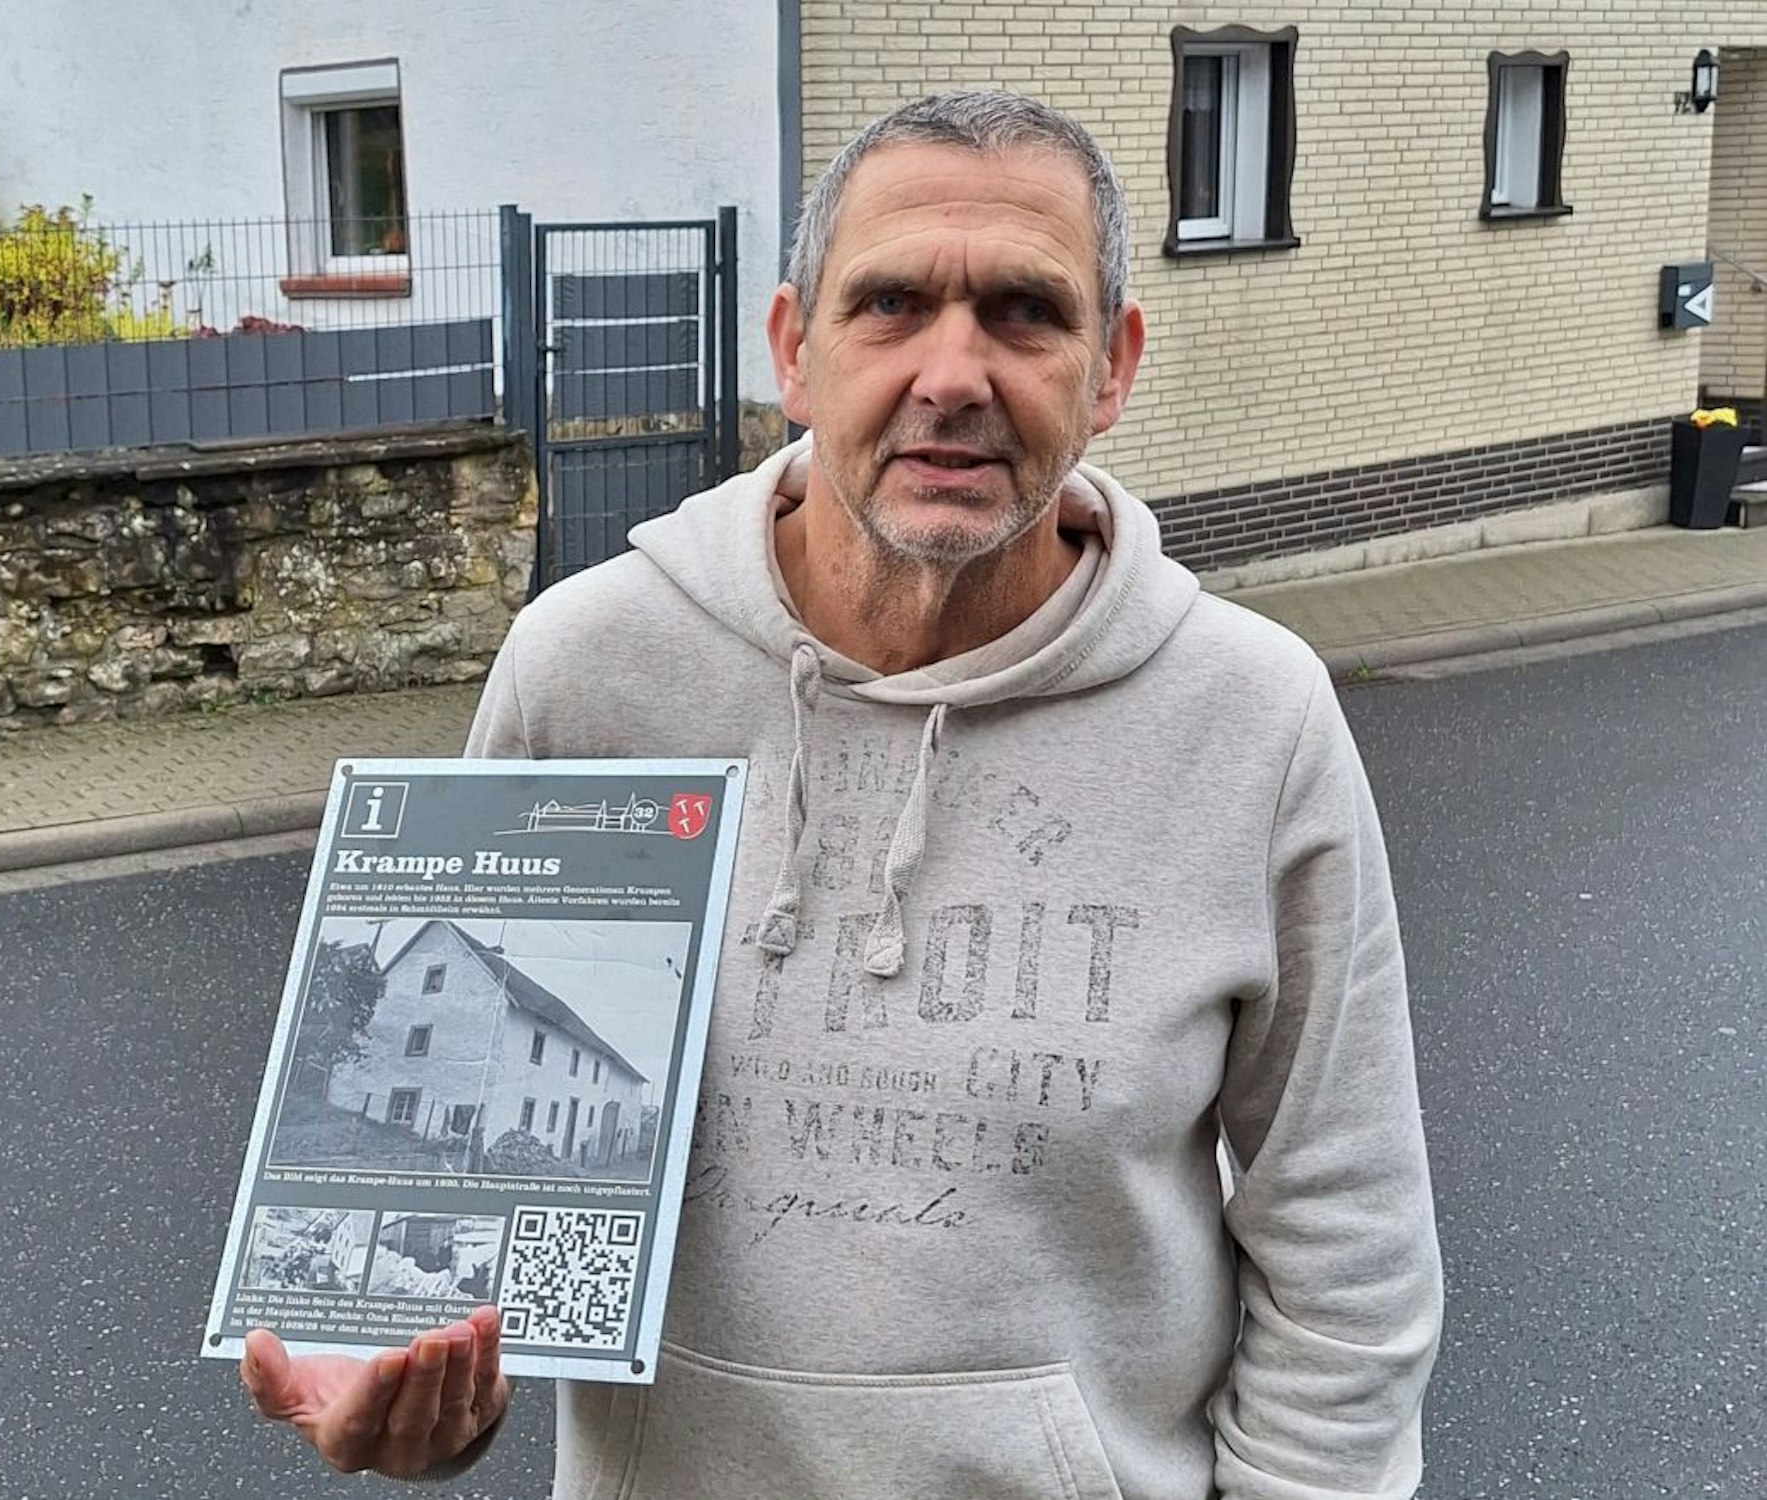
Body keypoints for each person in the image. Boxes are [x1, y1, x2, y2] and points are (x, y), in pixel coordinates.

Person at [241, 90, 1443, 1499]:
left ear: (1110, 368)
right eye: (890, 305)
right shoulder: (588, 674)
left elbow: (1345, 1248)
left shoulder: (1253, 721)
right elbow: (496, 1232)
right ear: (794, 350)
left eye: (1024, 313)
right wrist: (429, 1391)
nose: (953, 374)